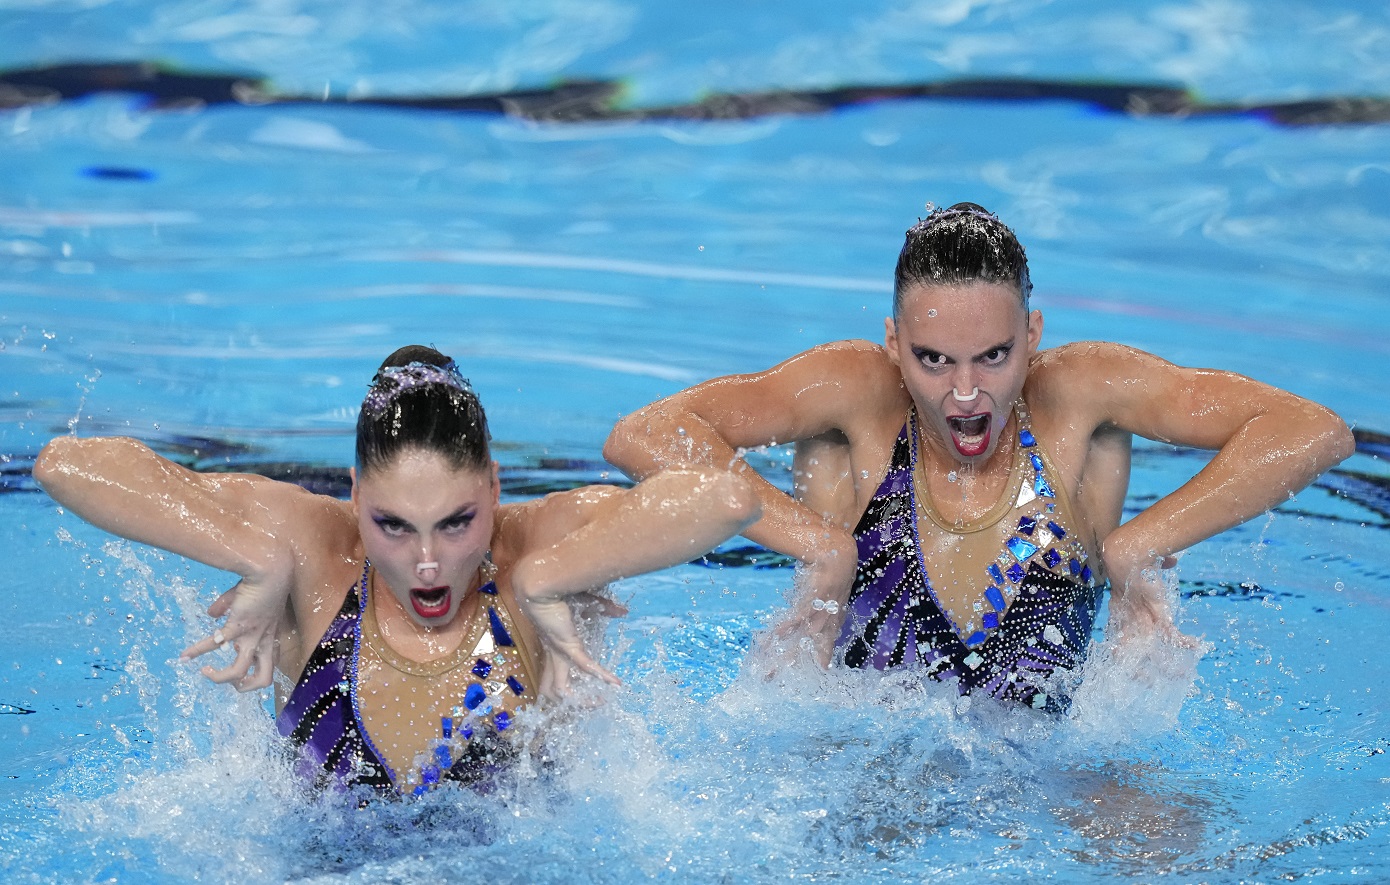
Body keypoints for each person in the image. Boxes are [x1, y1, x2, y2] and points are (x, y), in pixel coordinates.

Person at [602, 203, 1354, 710]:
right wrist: (819, 544)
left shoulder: (1083, 394)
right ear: (894, 345)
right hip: (855, 770)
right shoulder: (854, 392)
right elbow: (645, 434)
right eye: (933, 360)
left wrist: (1141, 544)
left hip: (1059, 782)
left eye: (994, 356)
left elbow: (1311, 428)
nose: (966, 393)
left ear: (1033, 335)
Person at [35, 345, 759, 794]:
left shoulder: (536, 545)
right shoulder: (312, 548)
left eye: (456, 521)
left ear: (496, 489)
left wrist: (546, 578)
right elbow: (67, 465)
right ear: (354, 496)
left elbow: (724, 498)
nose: (426, 561)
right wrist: (251, 556)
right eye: (392, 524)